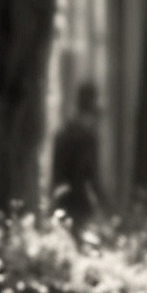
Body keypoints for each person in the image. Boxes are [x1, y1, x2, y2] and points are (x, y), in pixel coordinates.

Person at [50, 80, 106, 227]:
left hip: (64, 196)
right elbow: (90, 172)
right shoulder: (86, 136)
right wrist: (101, 199)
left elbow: (57, 171)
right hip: (78, 199)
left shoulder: (64, 132)